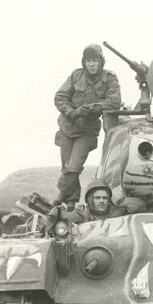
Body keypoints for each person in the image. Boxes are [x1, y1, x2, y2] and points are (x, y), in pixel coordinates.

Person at [53, 44, 121, 208]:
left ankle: (58, 199)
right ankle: (71, 205)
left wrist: (89, 108)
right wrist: (72, 112)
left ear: (101, 62)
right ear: (84, 62)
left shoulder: (109, 78)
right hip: (67, 127)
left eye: (95, 61)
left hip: (87, 130)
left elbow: (114, 102)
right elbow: (60, 97)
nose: (91, 64)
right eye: (88, 61)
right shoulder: (76, 75)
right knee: (67, 168)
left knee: (74, 167)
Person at [49, 179, 146, 225]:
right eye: (97, 198)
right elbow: (58, 215)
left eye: (105, 198)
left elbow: (139, 203)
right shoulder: (82, 214)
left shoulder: (115, 209)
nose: (102, 201)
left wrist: (121, 210)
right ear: (90, 200)